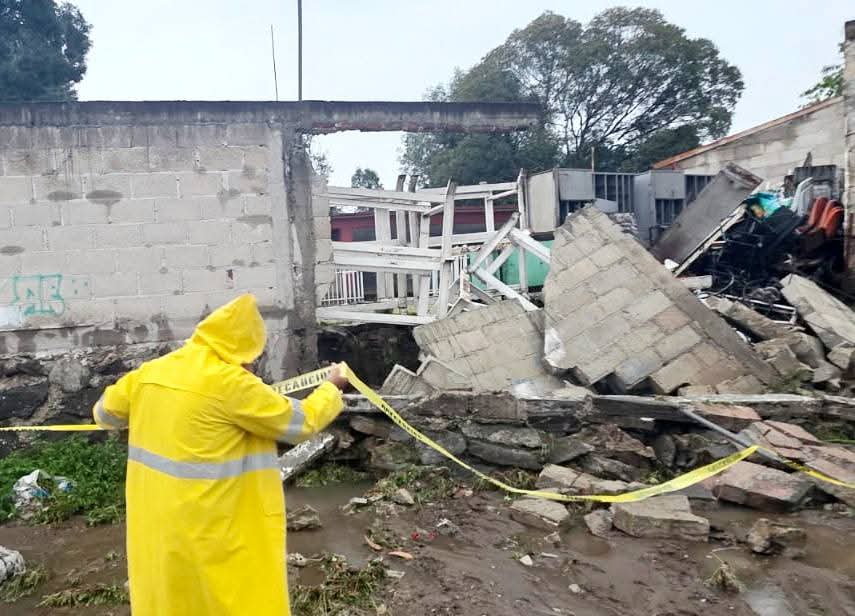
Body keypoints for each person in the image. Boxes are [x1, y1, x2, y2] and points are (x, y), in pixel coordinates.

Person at [92, 293, 348, 615]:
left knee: (173, 598)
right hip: (215, 524)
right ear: (244, 349)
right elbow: (302, 422)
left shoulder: (152, 371)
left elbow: (104, 414)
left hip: (157, 522)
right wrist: (332, 387)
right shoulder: (232, 383)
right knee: (230, 599)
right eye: (253, 356)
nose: (253, 365)